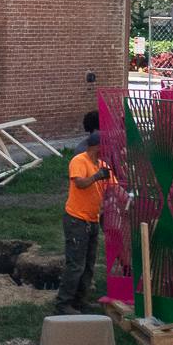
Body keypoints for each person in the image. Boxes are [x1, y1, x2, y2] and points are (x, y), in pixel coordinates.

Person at [58, 127, 116, 315]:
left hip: (91, 220)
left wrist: (130, 198)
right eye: (105, 146)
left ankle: (80, 301)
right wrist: (97, 176)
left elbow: (114, 187)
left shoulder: (102, 164)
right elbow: (80, 183)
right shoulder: (79, 161)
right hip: (76, 220)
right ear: (97, 146)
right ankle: (63, 304)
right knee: (76, 264)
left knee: (89, 264)